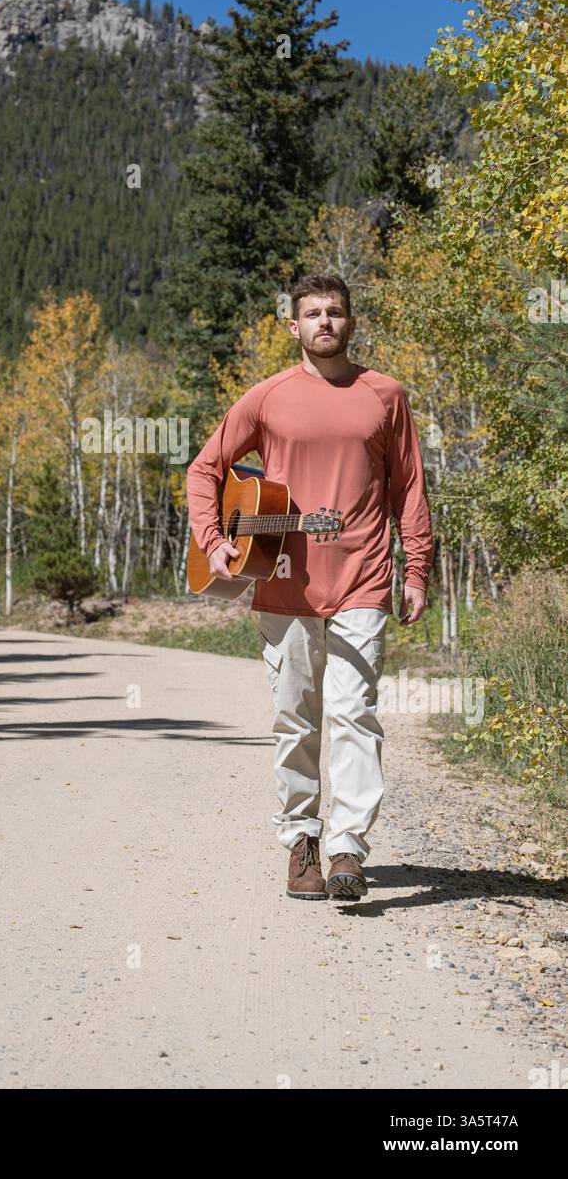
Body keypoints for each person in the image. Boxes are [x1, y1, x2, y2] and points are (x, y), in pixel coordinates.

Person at [185, 273, 434, 901]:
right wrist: (217, 544)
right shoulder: (266, 398)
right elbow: (205, 470)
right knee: (296, 719)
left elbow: (409, 490)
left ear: (351, 323)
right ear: (293, 326)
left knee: (354, 713)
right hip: (283, 583)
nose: (325, 321)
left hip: (364, 577)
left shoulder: (386, 396)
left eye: (336, 312)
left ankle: (348, 847)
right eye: (313, 313)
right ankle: (302, 841)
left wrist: (417, 569)